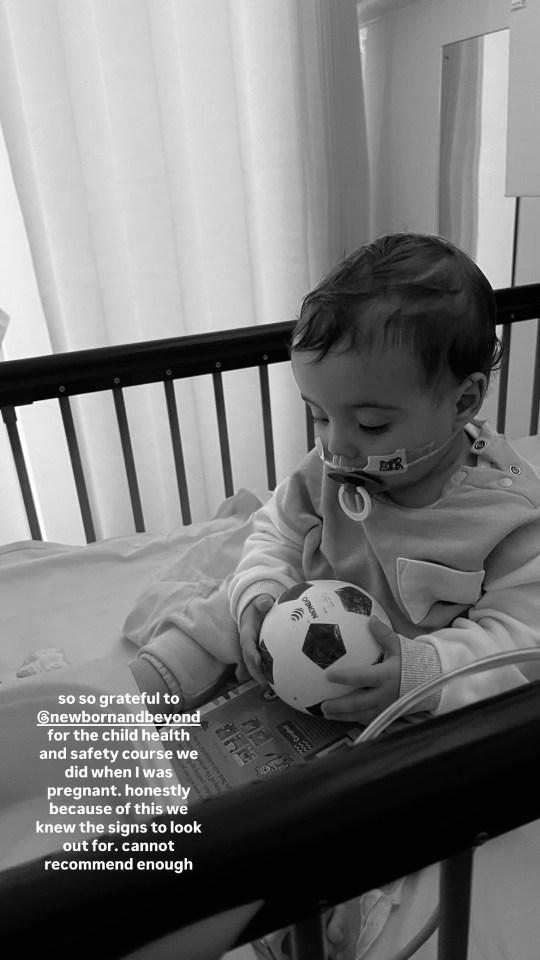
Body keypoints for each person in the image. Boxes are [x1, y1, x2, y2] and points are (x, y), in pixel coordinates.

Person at [130, 232, 540, 959]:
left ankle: (337, 903)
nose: (338, 445)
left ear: (464, 400)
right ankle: (148, 685)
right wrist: (264, 594)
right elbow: (274, 533)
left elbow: (522, 641)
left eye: (371, 423)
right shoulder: (327, 468)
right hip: (303, 620)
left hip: (403, 686)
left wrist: (416, 674)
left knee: (404, 785)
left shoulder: (504, 520)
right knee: (225, 599)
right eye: (319, 415)